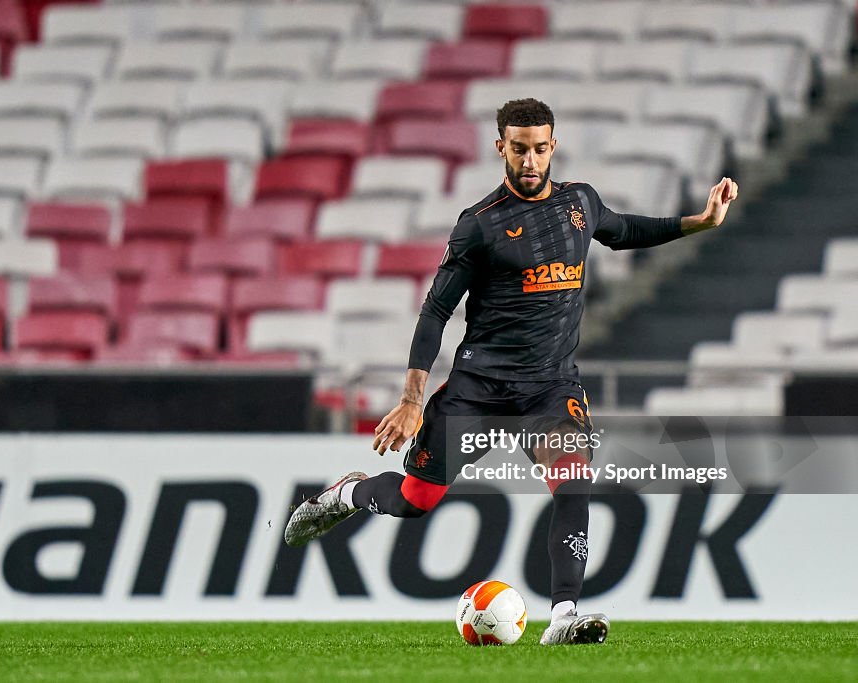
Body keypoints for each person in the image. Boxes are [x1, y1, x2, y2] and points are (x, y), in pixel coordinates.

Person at [284, 98, 739, 645]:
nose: (530, 160)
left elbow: (626, 230)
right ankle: (345, 496)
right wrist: (411, 397)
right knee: (414, 500)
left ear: (553, 147)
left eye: (540, 148)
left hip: (549, 386)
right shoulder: (479, 225)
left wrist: (701, 221)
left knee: (574, 481)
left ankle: (564, 615)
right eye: (519, 148)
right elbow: (434, 311)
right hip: (479, 388)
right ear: (500, 146)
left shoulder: (580, 204)